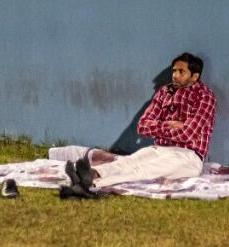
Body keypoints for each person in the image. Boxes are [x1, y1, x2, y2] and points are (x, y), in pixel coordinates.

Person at [62, 52, 216, 199]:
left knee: (144, 170)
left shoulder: (204, 97)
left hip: (187, 155)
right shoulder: (165, 92)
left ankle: (91, 186)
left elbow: (187, 134)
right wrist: (169, 124)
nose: (175, 75)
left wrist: (158, 128)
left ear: (194, 76)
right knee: (126, 162)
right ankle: (88, 175)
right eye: (174, 71)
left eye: (181, 72)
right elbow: (142, 126)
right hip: (159, 149)